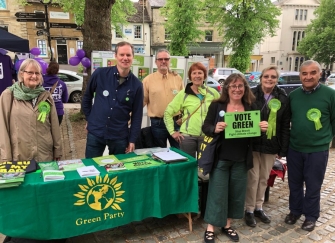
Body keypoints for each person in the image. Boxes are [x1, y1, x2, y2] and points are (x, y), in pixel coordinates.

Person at [202, 73, 267, 243]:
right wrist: (215, 128)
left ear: (245, 89)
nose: (237, 89)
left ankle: (227, 224)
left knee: (236, 193)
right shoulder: (217, 106)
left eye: (240, 86)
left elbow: (254, 136)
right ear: (227, 88)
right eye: (233, 86)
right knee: (217, 193)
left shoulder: (251, 107)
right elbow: (206, 127)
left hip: (241, 159)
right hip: (221, 157)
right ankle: (211, 227)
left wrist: (261, 129)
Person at [285, 60, 335, 232]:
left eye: (312, 73)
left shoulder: (330, 94)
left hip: (317, 150)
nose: (308, 77)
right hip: (295, 148)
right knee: (294, 183)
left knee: (313, 185)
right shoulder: (293, 95)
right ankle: (295, 211)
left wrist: (327, 140)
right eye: (304, 73)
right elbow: (288, 121)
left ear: (319, 74)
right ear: (300, 75)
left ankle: (311, 216)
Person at [244, 66, 290, 227]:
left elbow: (284, 125)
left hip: (271, 144)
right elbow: (244, 117)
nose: (269, 79)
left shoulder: (283, 98)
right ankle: (248, 209)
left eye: (273, 77)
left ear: (277, 79)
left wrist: (282, 149)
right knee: (253, 177)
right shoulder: (250, 94)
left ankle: (258, 207)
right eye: (266, 76)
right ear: (261, 78)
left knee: (264, 178)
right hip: (253, 144)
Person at [82, 41, 143, 158]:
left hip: (119, 136)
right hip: (96, 133)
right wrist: (90, 119)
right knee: (92, 168)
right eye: (122, 55)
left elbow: (137, 115)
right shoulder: (100, 74)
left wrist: (132, 140)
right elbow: (87, 98)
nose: (125, 58)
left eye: (128, 55)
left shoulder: (137, 85)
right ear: (116, 56)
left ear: (133, 57)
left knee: (118, 170)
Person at [0, 58, 62, 163]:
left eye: (37, 73)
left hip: (44, 155)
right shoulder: (8, 95)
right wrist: (6, 158)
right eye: (30, 72)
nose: (34, 76)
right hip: (20, 156)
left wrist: (57, 150)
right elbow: (2, 128)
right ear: (21, 74)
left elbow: (54, 125)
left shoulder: (45, 96)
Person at [163, 62, 220, 158]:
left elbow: (221, 111)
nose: (197, 76)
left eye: (200, 73)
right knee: (189, 166)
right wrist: (172, 132)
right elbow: (168, 112)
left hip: (207, 136)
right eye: (194, 73)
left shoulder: (213, 93)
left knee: (205, 167)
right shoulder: (183, 94)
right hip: (187, 137)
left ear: (204, 75)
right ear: (190, 76)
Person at [143, 49, 184, 148]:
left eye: (166, 59)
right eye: (160, 59)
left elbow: (185, 100)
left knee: (179, 151)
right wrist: (128, 118)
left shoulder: (177, 78)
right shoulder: (148, 80)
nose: (163, 61)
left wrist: (184, 117)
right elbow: (142, 101)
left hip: (176, 122)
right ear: (156, 61)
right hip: (158, 124)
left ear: (170, 61)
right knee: (159, 153)